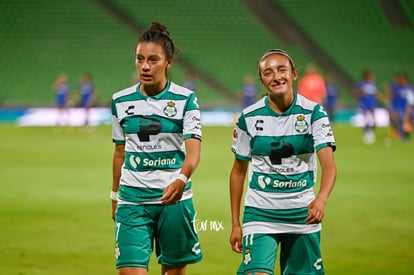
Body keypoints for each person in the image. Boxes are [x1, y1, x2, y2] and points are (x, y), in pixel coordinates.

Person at [229, 49, 337, 275]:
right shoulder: (248, 117)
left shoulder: (314, 114)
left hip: (302, 213)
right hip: (260, 212)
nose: (276, 77)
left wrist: (321, 199)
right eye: (268, 73)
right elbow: (238, 172)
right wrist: (236, 223)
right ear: (261, 80)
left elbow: (329, 166)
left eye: (281, 70)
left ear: (294, 73)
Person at [110, 22, 203, 275]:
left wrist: (182, 179)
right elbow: (119, 153)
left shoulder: (186, 100)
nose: (145, 66)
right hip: (132, 200)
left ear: (168, 62)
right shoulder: (120, 101)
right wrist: (114, 195)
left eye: (153, 60)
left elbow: (193, 152)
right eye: (140, 59)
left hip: (173, 201)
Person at [355, 70, 380, 144]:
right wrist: (360, 93)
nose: (372, 77)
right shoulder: (361, 84)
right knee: (366, 118)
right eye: (371, 75)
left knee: (373, 118)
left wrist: (381, 97)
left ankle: (371, 130)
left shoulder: (373, 84)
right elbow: (356, 92)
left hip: (372, 103)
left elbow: (376, 93)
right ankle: (366, 131)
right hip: (364, 103)